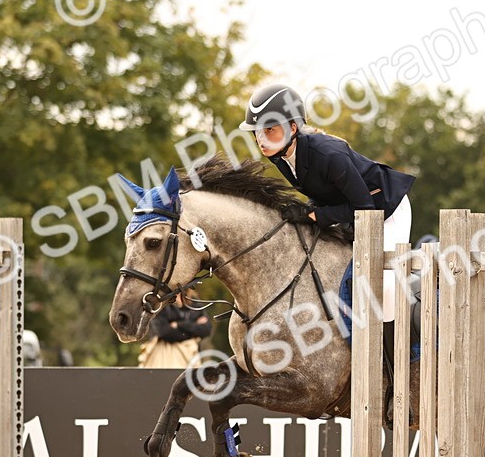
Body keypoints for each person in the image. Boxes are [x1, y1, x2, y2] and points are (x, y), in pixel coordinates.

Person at [239, 84, 415, 322]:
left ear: (293, 127)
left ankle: (402, 350)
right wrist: (308, 211)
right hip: (351, 210)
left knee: (382, 283)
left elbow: (364, 209)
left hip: (386, 209)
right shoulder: (281, 155)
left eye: (269, 130)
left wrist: (313, 215)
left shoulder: (328, 154)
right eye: (257, 133)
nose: (261, 140)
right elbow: (322, 192)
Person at [138, 293, 213, 369]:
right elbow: (163, 332)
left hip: (191, 356)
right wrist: (193, 328)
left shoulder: (193, 302)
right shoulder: (160, 302)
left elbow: (206, 330)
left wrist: (179, 324)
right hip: (164, 355)